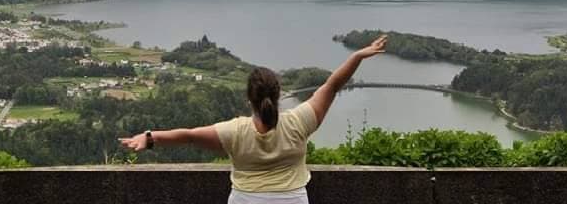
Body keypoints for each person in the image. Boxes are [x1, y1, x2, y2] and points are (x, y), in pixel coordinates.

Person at [119, 35, 388, 204]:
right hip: (292, 199)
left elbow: (188, 135)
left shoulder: (234, 132)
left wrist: (150, 138)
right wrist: (356, 56)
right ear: (279, 94)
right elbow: (331, 86)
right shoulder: (299, 122)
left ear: (249, 99)